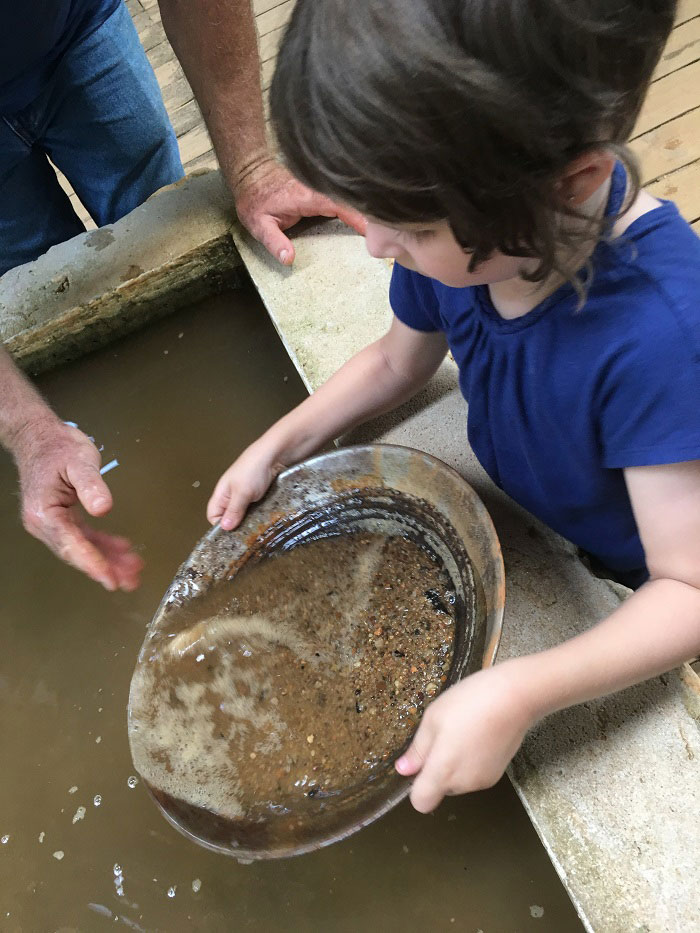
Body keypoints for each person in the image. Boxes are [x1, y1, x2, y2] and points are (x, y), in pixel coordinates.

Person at [207, 0, 700, 813]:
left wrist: (524, 690)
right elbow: (399, 361)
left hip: (645, 563)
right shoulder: (470, 245)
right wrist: (282, 441)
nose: (373, 246)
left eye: (403, 224)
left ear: (568, 181)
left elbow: (686, 589)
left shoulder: (660, 338)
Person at [0, 0, 361, 589]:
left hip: (72, 24)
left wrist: (249, 168)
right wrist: (27, 430)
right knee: (30, 289)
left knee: (154, 202)